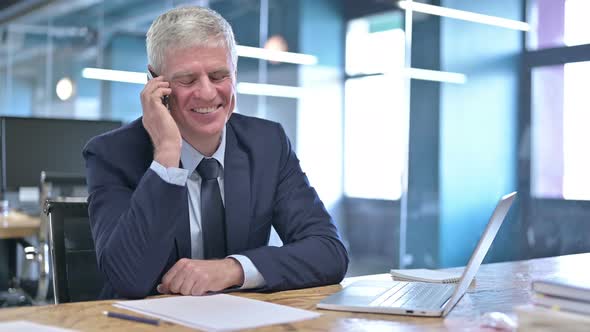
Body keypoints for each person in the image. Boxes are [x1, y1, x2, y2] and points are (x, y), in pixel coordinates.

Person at [83, 6, 348, 299]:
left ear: (235, 74)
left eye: (219, 75)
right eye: (188, 80)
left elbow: (329, 252)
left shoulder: (267, 144)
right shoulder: (112, 154)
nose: (207, 93)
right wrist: (167, 156)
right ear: (154, 84)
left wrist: (231, 269)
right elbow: (127, 280)